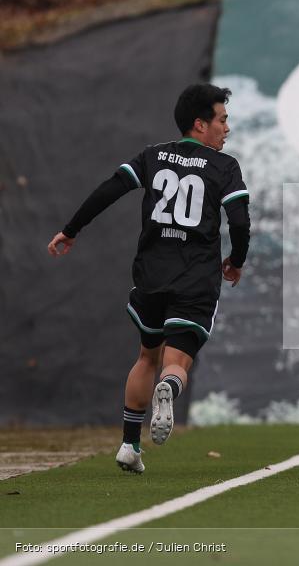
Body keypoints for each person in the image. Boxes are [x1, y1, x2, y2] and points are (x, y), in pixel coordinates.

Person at [47, 83, 250, 474]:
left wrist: (72, 229)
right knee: (176, 364)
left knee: (146, 355)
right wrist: (236, 259)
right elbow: (239, 221)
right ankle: (168, 390)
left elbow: (110, 189)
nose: (228, 128)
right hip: (194, 277)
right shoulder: (224, 167)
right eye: (222, 119)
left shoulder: (153, 156)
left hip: (151, 274)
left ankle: (128, 445)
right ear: (199, 124)